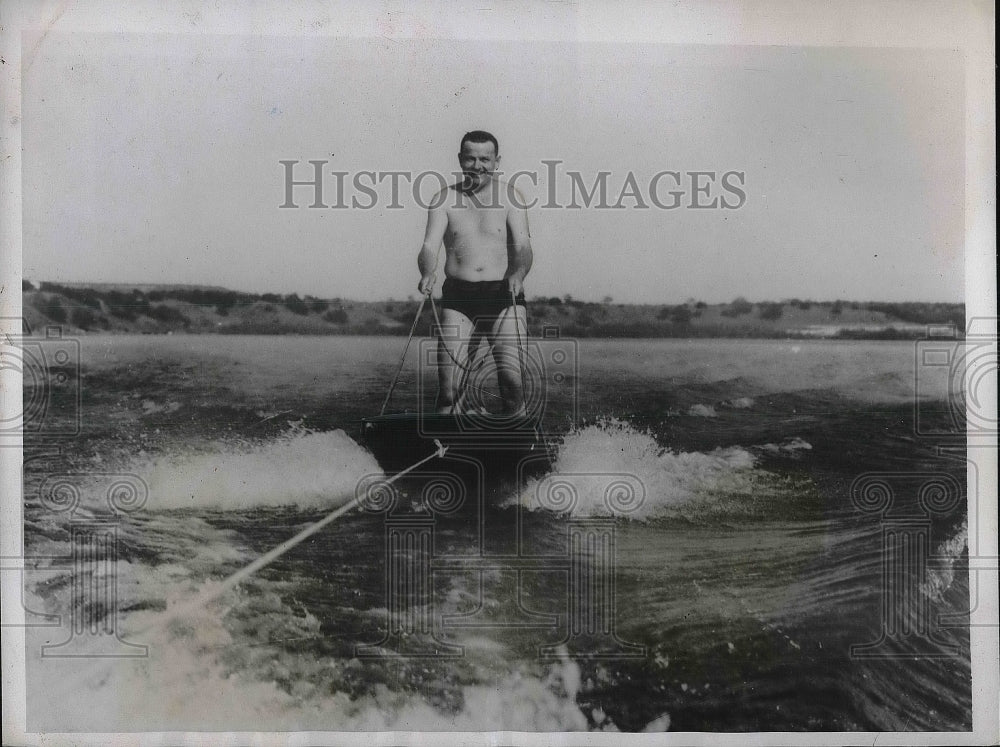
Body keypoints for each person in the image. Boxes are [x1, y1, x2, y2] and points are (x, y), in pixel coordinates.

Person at [417, 130, 533, 415]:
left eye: (485, 159)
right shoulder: (443, 199)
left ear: (496, 162)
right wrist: (427, 271)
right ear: (460, 159)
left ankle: (520, 438)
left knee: (512, 383)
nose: (477, 166)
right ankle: (444, 440)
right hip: (459, 298)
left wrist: (518, 274)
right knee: (449, 390)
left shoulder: (512, 197)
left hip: (503, 296)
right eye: (471, 159)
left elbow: (523, 248)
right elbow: (429, 247)